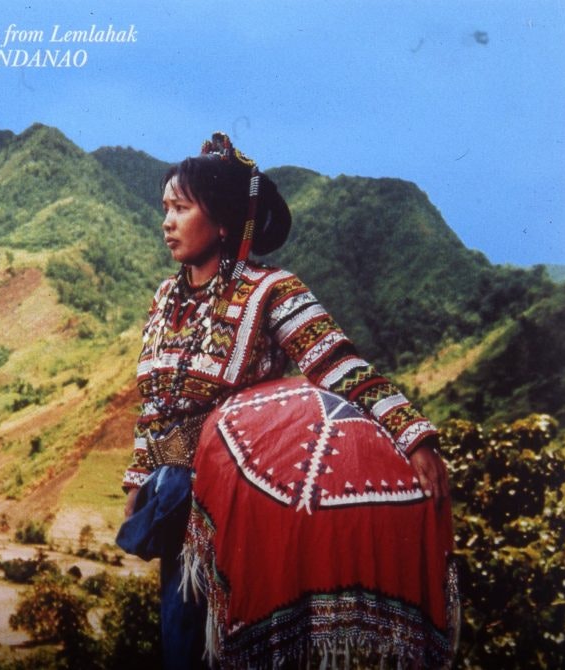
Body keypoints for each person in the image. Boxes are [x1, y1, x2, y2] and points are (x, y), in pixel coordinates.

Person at [116, 132, 457, 669]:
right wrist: (139, 481)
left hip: (244, 503)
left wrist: (415, 437)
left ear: (223, 221)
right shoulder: (165, 298)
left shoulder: (272, 290)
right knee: (182, 645)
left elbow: (337, 364)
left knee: (242, 645)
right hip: (177, 509)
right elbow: (153, 405)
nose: (167, 222)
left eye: (181, 208)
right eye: (165, 208)